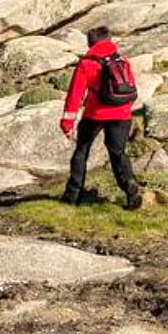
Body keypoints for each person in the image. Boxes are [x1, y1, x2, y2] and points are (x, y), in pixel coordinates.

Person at [59, 25, 143, 209]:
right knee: (117, 152)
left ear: (90, 43)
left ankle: (72, 197)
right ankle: (130, 186)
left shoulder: (86, 63)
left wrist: (67, 123)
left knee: (81, 152)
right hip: (122, 114)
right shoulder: (122, 60)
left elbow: (75, 95)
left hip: (95, 114)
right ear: (110, 40)